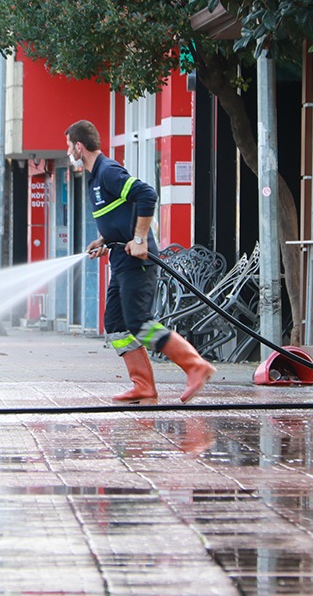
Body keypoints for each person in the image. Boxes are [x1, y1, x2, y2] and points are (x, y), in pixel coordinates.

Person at [67, 119, 216, 403]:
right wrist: (104, 240)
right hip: (121, 260)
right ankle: (143, 385)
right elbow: (120, 213)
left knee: (138, 321)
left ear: (79, 146)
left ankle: (195, 365)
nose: (67, 152)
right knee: (116, 323)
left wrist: (139, 239)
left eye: (68, 146)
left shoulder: (107, 171)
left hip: (138, 261)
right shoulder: (94, 178)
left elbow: (147, 194)